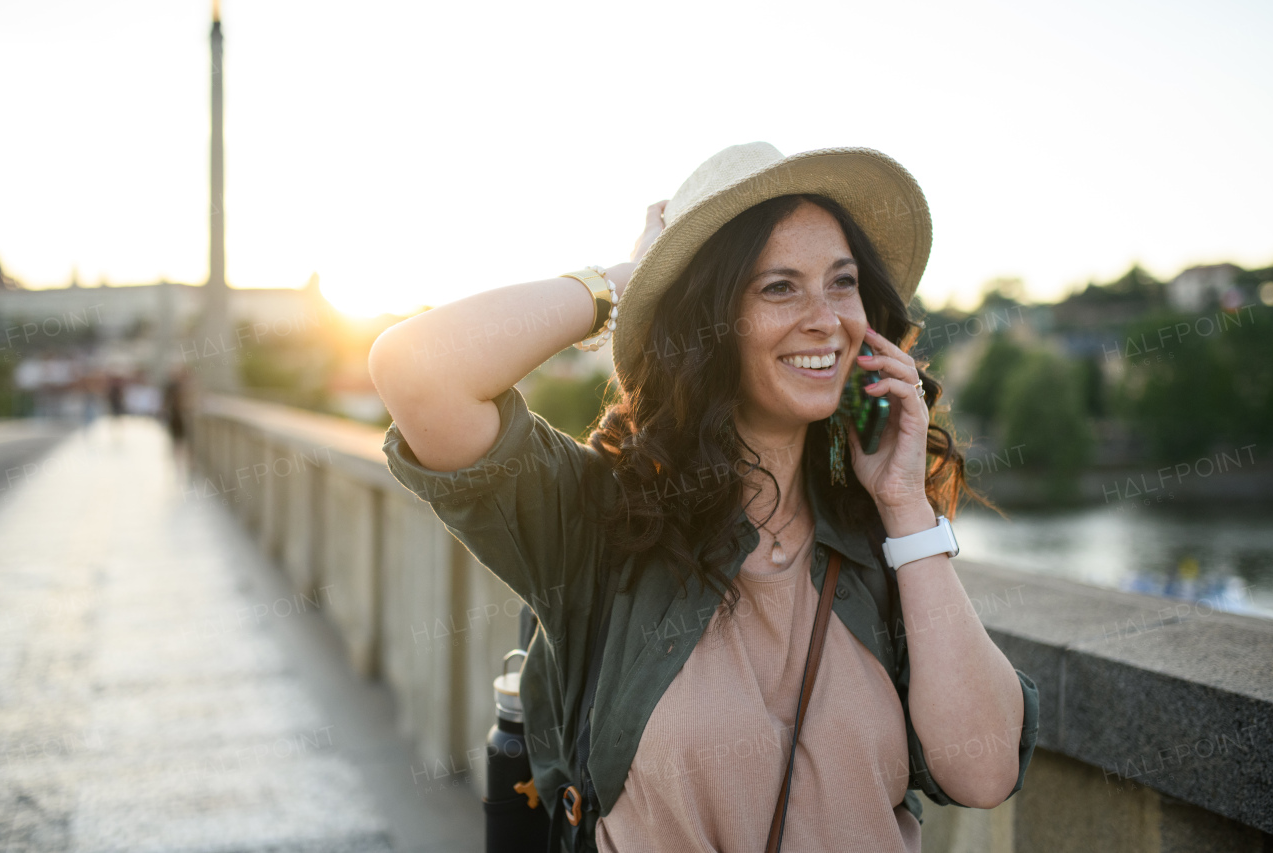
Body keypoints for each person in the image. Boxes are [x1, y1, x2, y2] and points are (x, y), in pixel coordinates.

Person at [369, 142, 1039, 853]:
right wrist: (631, 282)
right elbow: (416, 369)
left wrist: (906, 505)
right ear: (706, 320)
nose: (825, 318)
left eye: (841, 283)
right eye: (779, 287)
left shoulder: (883, 538)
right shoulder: (600, 521)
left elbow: (984, 770)